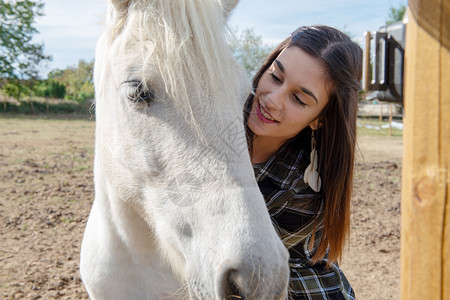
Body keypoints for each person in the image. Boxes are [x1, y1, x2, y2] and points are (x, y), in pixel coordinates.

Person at [244, 25, 362, 299]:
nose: (272, 100)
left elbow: (234, 250)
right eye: (275, 76)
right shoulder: (227, 113)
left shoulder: (303, 192)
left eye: (298, 98)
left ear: (319, 119)